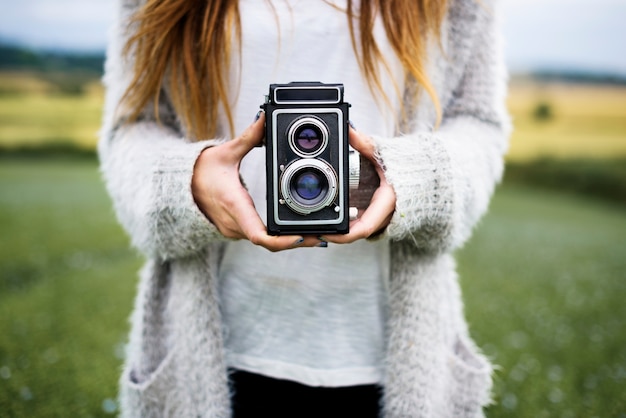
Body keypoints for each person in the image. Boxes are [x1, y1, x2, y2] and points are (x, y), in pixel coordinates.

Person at [99, 0, 511, 416]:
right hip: (210, 348)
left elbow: (477, 121)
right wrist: (185, 180)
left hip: (392, 350)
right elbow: (132, 124)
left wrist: (419, 178)